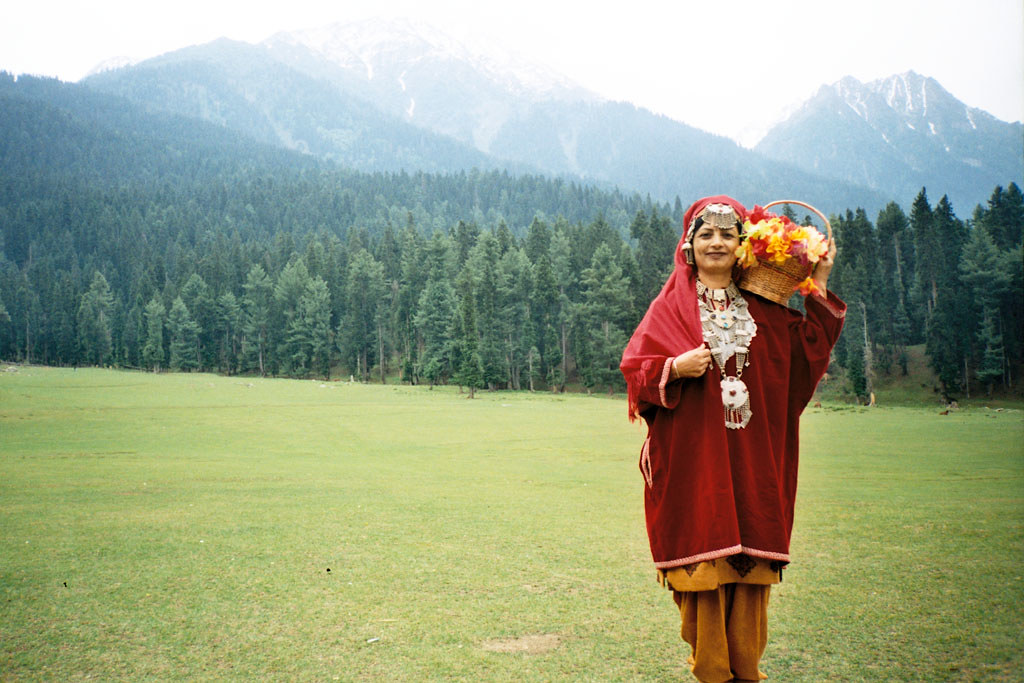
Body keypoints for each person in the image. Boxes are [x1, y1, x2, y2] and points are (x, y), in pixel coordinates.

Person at [619, 195, 845, 682]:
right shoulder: (669, 309)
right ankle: (711, 672)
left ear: (743, 245)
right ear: (689, 246)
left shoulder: (767, 310)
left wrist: (820, 283)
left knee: (748, 576)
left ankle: (745, 671)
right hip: (694, 462)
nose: (716, 243)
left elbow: (808, 354)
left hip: (753, 460)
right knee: (702, 574)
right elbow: (635, 370)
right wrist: (674, 368)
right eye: (706, 234)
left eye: (727, 234)